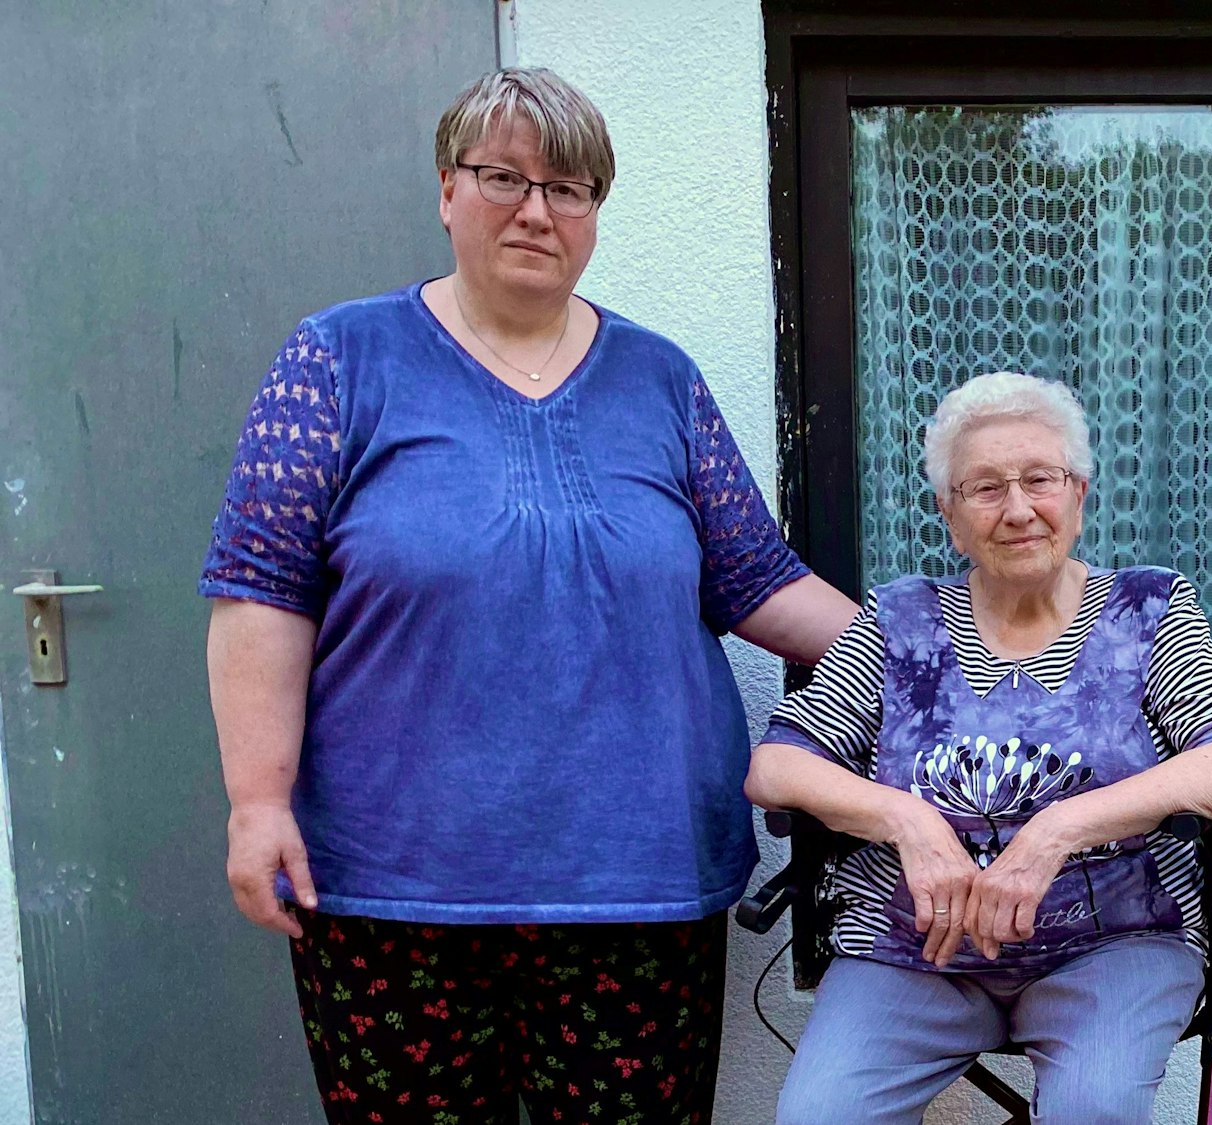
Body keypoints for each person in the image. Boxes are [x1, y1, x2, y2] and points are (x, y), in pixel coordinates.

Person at [200, 67, 854, 1124]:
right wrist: (258, 804)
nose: (537, 210)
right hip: (391, 884)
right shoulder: (337, 361)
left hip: (638, 879)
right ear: (447, 191)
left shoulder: (660, 379)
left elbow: (758, 582)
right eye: (503, 176)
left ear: (595, 210)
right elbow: (261, 593)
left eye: (571, 187)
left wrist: (943, 655)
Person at [745, 371, 1212, 1124]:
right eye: (985, 488)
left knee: (1094, 1110)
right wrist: (909, 821)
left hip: (1116, 944)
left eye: (1040, 480)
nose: (1019, 509)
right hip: (914, 951)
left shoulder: (1146, 611)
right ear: (950, 517)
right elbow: (777, 765)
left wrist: (1055, 830)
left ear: (1079, 495)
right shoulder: (901, 623)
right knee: (820, 1116)